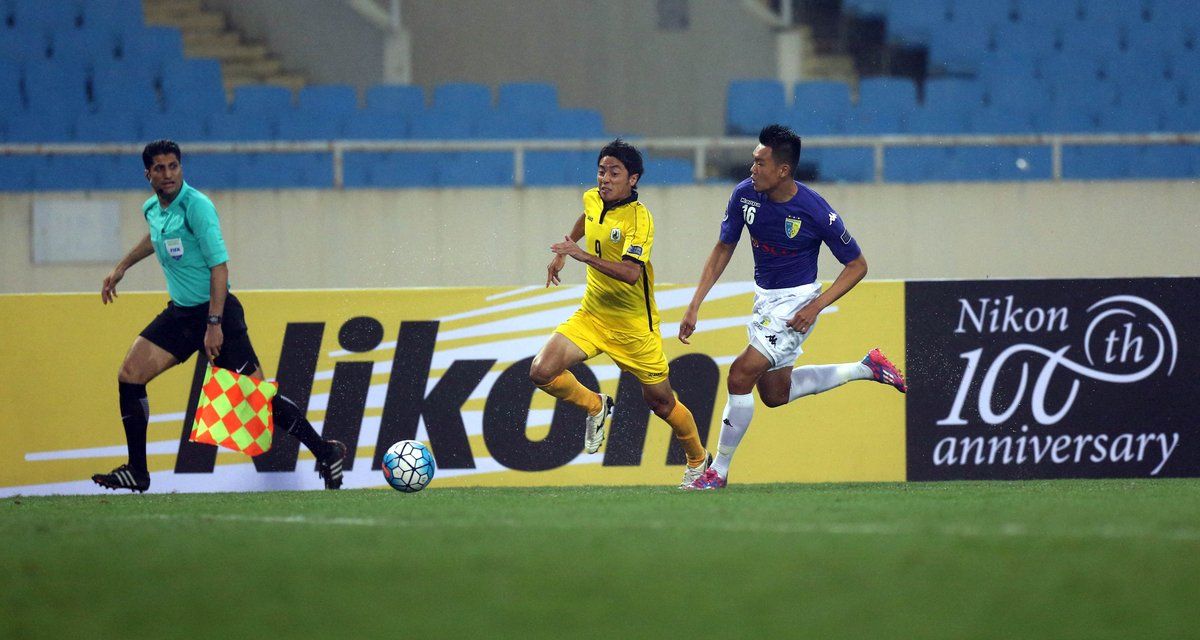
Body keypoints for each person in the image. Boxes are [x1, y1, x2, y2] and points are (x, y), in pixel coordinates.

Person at [91, 139, 347, 493]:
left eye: (174, 167)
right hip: (181, 316)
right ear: (147, 174)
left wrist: (213, 325)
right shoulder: (153, 209)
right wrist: (121, 267)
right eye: (160, 169)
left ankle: (325, 450)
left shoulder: (198, 207)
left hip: (218, 313)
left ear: (181, 168)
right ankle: (138, 471)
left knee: (257, 399)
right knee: (130, 375)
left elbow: (219, 267)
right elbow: (155, 238)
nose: (168, 175)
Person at [677, 124, 906, 490]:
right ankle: (868, 368)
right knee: (774, 395)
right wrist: (695, 304)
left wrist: (815, 306)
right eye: (753, 161)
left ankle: (716, 471)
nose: (752, 169)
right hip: (765, 301)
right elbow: (723, 248)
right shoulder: (744, 196)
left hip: (797, 303)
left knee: (739, 375)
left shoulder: (815, 211)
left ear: (783, 170)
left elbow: (858, 266)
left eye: (760, 163)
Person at [531, 139, 711, 488]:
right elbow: (587, 218)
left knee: (661, 403)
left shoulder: (640, 220)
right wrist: (565, 251)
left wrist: (580, 255)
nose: (604, 178)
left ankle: (698, 460)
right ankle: (596, 405)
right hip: (593, 315)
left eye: (614, 172)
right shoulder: (592, 198)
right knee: (541, 372)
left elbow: (631, 274)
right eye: (601, 171)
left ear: (633, 179)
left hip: (633, 327)